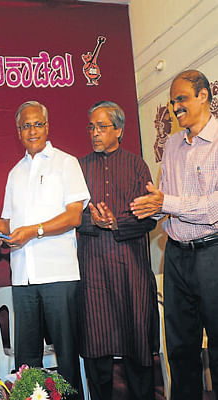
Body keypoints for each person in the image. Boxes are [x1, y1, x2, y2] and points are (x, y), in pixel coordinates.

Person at [0, 101, 90, 393]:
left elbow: (74, 215)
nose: (32, 130)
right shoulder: (15, 173)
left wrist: (34, 231)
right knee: (26, 359)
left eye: (37, 124)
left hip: (59, 274)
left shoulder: (66, 163)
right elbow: (9, 223)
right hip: (23, 276)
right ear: (18, 132)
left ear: (47, 127)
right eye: (26, 126)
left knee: (66, 356)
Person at [131, 70, 218, 400]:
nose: (174, 106)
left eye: (181, 98)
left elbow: (215, 207)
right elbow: (165, 197)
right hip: (177, 255)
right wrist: (150, 206)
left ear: (204, 95)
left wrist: (166, 201)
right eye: (172, 101)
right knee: (180, 349)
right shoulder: (171, 145)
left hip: (213, 253)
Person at [77, 101, 159, 400]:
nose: (95, 133)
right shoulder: (80, 168)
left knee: (137, 341)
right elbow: (71, 214)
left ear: (119, 130)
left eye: (102, 127)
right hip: (94, 271)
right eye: (91, 127)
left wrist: (117, 223)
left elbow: (150, 216)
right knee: (96, 344)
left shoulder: (137, 165)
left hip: (131, 269)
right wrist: (92, 220)